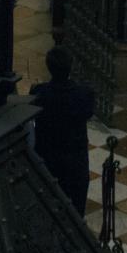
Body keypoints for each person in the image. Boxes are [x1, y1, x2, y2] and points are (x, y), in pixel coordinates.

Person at [30, 46, 95, 215]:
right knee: (76, 209)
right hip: (75, 163)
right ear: (70, 67)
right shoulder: (84, 94)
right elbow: (88, 112)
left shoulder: (39, 94)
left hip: (48, 160)